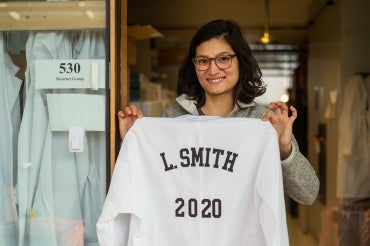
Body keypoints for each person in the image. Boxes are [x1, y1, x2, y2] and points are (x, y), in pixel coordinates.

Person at [117, 19, 319, 205]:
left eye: (223, 59)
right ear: (194, 66)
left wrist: (284, 149)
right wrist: (133, 143)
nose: (213, 70)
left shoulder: (263, 121)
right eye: (203, 61)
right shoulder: (174, 118)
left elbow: (308, 194)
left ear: (240, 60)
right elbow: (151, 184)